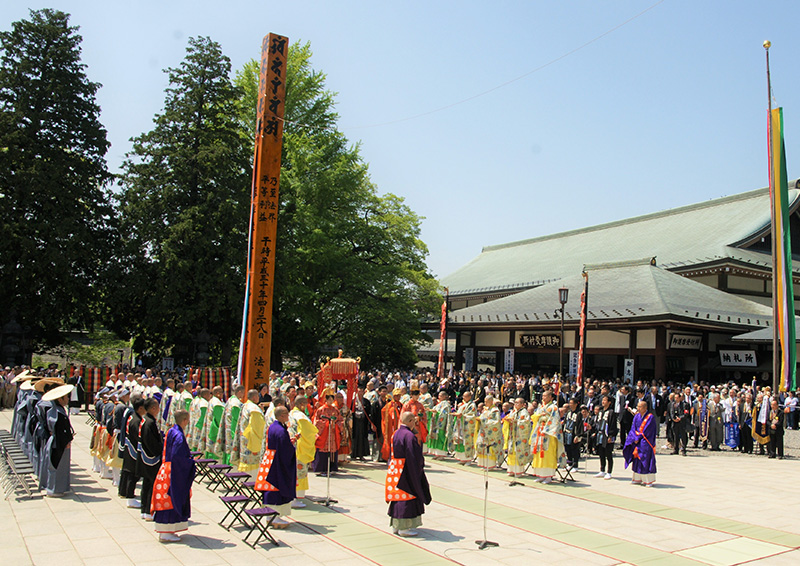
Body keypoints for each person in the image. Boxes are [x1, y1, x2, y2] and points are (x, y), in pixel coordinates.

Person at [153, 409, 196, 543]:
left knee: (167, 499)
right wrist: (190, 462)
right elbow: (179, 457)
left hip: (166, 469)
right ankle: (166, 532)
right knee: (171, 499)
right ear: (184, 420)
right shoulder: (178, 435)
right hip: (174, 472)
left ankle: (168, 530)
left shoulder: (171, 430)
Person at [386, 411, 432, 537]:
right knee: (408, 496)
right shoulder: (409, 436)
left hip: (396, 468)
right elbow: (413, 456)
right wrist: (418, 469)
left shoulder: (396, 433)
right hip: (406, 469)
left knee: (397, 497)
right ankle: (404, 528)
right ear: (410, 421)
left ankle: (396, 526)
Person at [256, 405, 296, 527]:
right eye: (287, 415)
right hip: (277, 462)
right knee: (276, 487)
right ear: (282, 415)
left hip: (270, 458)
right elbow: (285, 449)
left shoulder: (274, 426)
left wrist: (290, 442)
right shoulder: (280, 430)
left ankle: (271, 516)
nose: (288, 417)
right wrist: (292, 447)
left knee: (271, 487)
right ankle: (274, 517)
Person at [42, 384, 75, 497]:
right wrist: (67, 440)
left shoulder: (56, 409)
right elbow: (61, 429)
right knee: (57, 465)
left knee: (56, 465)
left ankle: (56, 488)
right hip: (59, 442)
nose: (67, 399)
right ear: (60, 399)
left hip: (55, 440)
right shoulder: (58, 413)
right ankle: (55, 489)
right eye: (66, 397)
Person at [530, 390, 566, 483]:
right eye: (543, 396)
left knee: (548, 454)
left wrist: (545, 425)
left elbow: (555, 421)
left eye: (545, 396)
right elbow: (534, 416)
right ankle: (541, 475)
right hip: (539, 432)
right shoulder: (540, 407)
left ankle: (548, 476)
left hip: (548, 434)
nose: (543, 398)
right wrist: (539, 416)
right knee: (539, 453)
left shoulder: (553, 407)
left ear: (551, 397)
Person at [289, 396, 318, 508]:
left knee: (293, 472)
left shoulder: (291, 413)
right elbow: (308, 431)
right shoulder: (301, 416)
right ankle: (296, 497)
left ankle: (292, 496)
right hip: (299, 447)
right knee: (299, 473)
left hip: (291, 446)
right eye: (305, 404)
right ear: (301, 404)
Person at [138, 397, 163, 521]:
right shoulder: (149, 422)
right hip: (151, 458)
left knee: (147, 484)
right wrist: (160, 450)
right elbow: (151, 442)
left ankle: (145, 509)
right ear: (153, 408)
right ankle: (148, 510)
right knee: (151, 484)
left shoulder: (147, 420)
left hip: (147, 457)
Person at [623, 400, 657, 487]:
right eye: (637, 406)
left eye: (640, 407)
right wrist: (634, 438)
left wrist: (638, 438)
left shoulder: (650, 417)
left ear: (645, 408)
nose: (638, 408)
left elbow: (647, 430)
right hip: (637, 440)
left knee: (645, 458)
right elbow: (633, 428)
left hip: (646, 440)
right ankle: (637, 478)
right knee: (636, 458)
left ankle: (648, 480)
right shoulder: (637, 416)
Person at [120, 394, 145, 508]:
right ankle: (130, 497)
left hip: (129, 447)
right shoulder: (136, 420)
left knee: (128, 472)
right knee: (132, 474)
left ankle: (125, 492)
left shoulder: (133, 416)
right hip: (133, 449)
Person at [237, 389, 266, 478]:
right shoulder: (254, 409)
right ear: (254, 397)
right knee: (252, 461)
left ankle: (244, 480)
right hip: (252, 439)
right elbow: (259, 426)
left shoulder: (246, 405)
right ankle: (251, 480)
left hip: (245, 436)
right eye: (257, 396)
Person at [214, 385, 244, 466]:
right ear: (240, 392)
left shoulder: (230, 400)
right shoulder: (236, 404)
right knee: (232, 450)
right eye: (243, 393)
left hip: (228, 428)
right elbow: (236, 420)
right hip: (232, 430)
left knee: (228, 449)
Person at [313, 389, 341, 475]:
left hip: (332, 432)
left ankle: (332, 468)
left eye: (332, 400)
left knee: (332, 450)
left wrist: (336, 424)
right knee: (322, 450)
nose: (330, 401)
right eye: (329, 399)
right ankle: (322, 469)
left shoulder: (335, 410)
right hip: (324, 432)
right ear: (326, 400)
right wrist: (326, 423)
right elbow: (316, 421)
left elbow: (340, 420)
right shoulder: (321, 410)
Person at [503, 397, 533, 477]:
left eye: (518, 403)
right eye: (515, 403)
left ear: (523, 404)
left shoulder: (524, 412)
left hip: (520, 436)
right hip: (512, 435)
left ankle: (519, 471)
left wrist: (515, 421)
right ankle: (511, 470)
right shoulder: (513, 411)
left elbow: (525, 423)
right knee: (511, 452)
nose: (516, 404)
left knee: (518, 453)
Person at [475, 395, 502, 469]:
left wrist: (483, 420)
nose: (485, 403)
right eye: (484, 401)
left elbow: (496, 422)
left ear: (491, 401)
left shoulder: (495, 410)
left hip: (491, 433)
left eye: (486, 402)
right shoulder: (486, 409)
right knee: (481, 445)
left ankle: (490, 465)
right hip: (483, 431)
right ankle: (484, 464)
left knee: (490, 448)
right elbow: (483, 417)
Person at [594, 395, 617, 479]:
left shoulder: (611, 412)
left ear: (609, 402)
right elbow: (597, 422)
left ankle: (609, 471)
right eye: (602, 400)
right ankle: (602, 470)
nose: (603, 402)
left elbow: (613, 425)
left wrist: (611, 435)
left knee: (608, 454)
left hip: (607, 435)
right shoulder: (600, 411)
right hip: (600, 434)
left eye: (605, 400)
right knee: (601, 453)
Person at [453, 390, 477, 465]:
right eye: (463, 396)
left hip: (467, 427)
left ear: (470, 397)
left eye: (465, 396)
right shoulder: (463, 405)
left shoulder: (472, 405)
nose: (463, 397)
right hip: (461, 425)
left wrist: (462, 416)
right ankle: (462, 458)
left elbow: (472, 416)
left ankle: (468, 459)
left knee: (467, 442)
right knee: (460, 441)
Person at [427, 391, 452, 459]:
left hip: (442, 425)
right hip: (436, 423)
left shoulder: (446, 405)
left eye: (441, 395)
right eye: (439, 395)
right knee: (436, 438)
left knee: (441, 438)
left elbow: (444, 414)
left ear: (445, 396)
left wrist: (436, 413)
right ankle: (437, 454)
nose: (439, 396)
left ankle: (442, 454)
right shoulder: (439, 404)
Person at [380, 388, 403, 461]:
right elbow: (384, 412)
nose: (398, 397)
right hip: (391, 426)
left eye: (399, 396)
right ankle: (389, 457)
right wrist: (392, 409)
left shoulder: (401, 405)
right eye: (396, 396)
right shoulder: (390, 404)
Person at [203, 386, 225, 460]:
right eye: (222, 392)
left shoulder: (212, 400)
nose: (223, 394)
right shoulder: (217, 404)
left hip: (210, 427)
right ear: (218, 393)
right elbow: (220, 419)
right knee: (215, 449)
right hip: (215, 429)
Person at [350, 386, 372, 461]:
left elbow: (369, 412)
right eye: (359, 391)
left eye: (361, 391)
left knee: (362, 437)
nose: (360, 393)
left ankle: (361, 454)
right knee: (355, 437)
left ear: (364, 392)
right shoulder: (353, 401)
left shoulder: (366, 401)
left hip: (363, 421)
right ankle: (354, 454)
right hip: (355, 421)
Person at [562, 397, 583, 471]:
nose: (570, 405)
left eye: (572, 403)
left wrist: (578, 436)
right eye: (569, 403)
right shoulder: (568, 413)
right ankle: (569, 463)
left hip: (574, 434)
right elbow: (565, 422)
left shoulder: (579, 414)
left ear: (576, 404)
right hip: (567, 433)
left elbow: (580, 425)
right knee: (568, 449)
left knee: (575, 450)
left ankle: (575, 465)